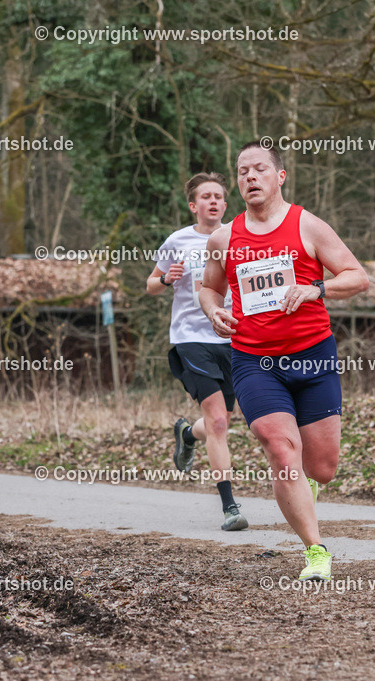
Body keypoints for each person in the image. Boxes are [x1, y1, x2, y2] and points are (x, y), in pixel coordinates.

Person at [199, 141, 369, 580]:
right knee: (280, 449)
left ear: (280, 176)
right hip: (254, 360)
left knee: (323, 467)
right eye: (242, 172)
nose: (249, 177)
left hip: (313, 356)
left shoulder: (308, 226)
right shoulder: (225, 238)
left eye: (259, 169)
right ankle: (316, 552)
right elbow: (209, 288)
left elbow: (357, 276)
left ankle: (306, 486)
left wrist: (318, 289)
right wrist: (213, 310)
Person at [147, 172, 247, 532]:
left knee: (222, 423)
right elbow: (150, 284)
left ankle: (187, 435)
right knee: (219, 422)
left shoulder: (239, 236)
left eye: (219, 196)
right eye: (206, 197)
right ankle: (229, 507)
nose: (214, 202)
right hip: (191, 338)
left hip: (233, 338)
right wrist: (165, 280)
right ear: (194, 205)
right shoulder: (178, 240)